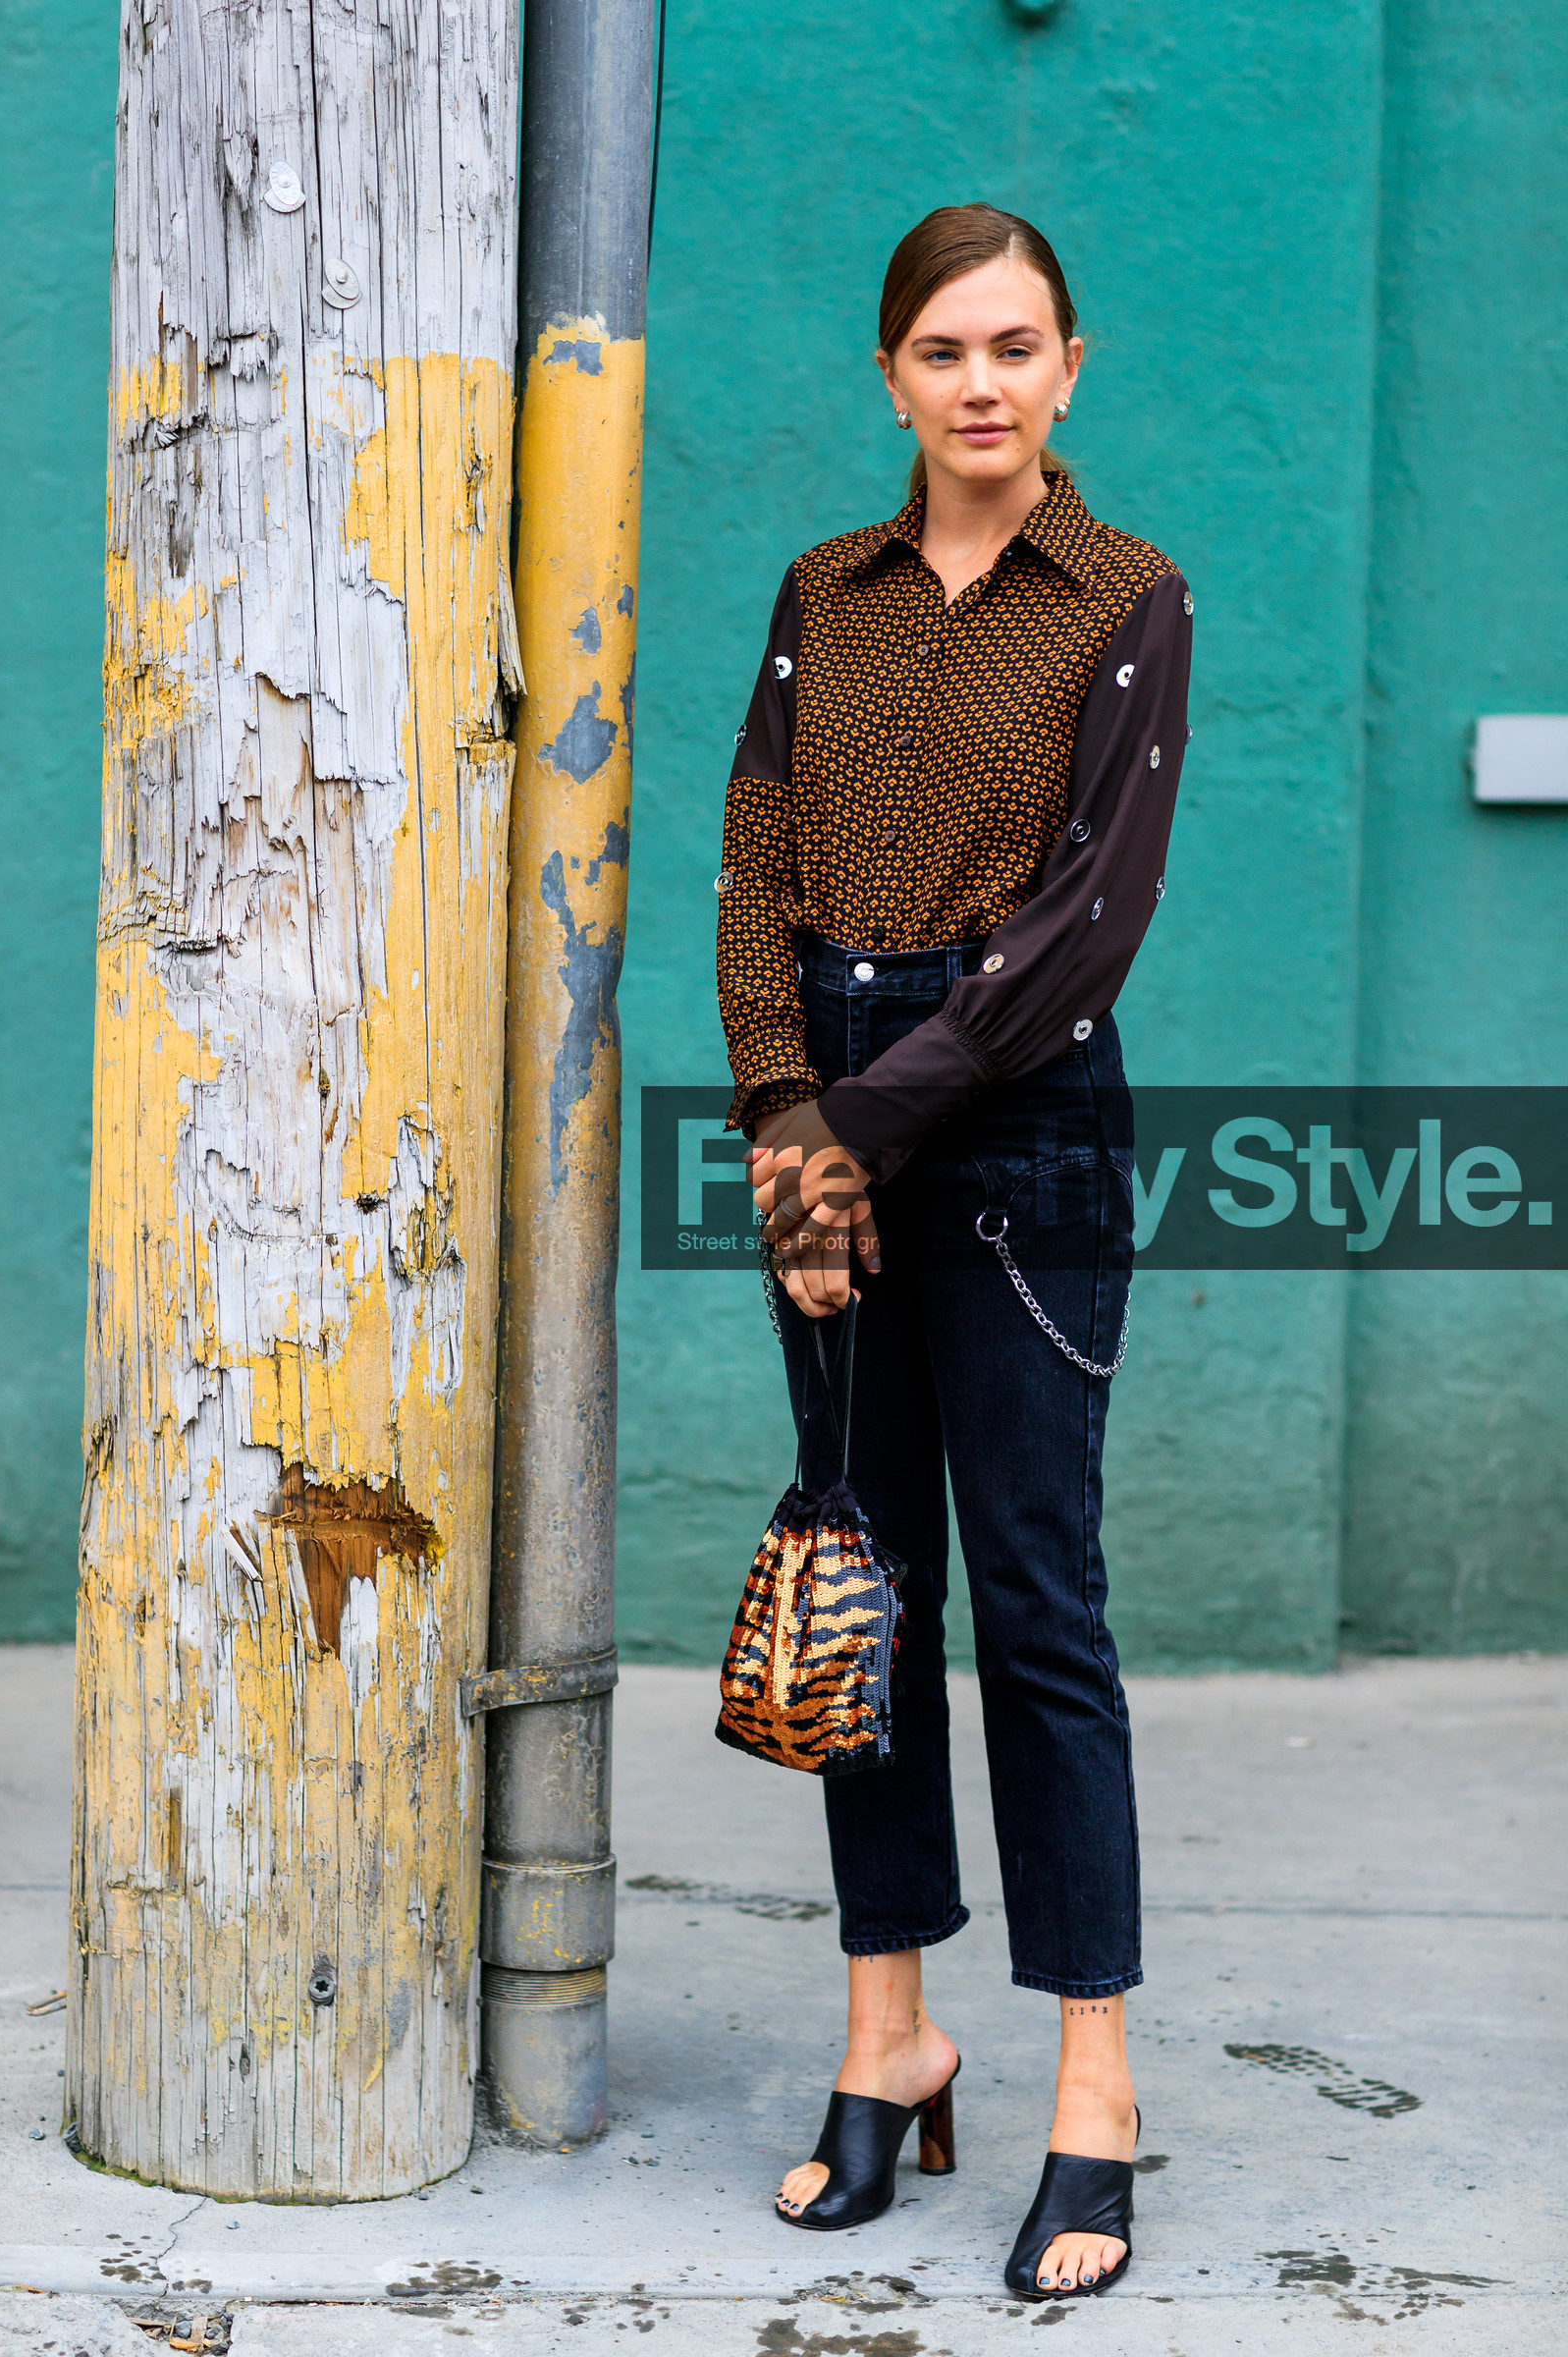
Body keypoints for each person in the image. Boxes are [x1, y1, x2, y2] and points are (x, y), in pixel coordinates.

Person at [714, 203, 1192, 2301]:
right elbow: (753, 861)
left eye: (1014, 347)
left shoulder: (1126, 595)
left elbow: (1086, 923)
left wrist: (852, 1132)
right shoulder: (821, 591)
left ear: (1069, 369)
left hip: (1017, 1117)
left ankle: (1093, 2084)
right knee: (863, 1583)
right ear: (890, 375)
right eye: (941, 350)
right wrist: (779, 1117)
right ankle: (887, 2032)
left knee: (1039, 1601)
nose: (979, 383)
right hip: (820, 1110)